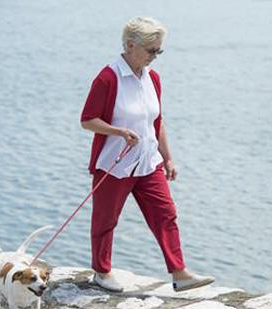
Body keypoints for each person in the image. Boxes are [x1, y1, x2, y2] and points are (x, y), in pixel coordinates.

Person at [80, 16, 214, 292]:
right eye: (151, 50)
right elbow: (87, 120)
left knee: (166, 214)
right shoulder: (108, 78)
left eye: (159, 51)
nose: (155, 56)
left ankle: (180, 273)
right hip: (114, 165)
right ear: (130, 45)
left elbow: (157, 121)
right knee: (106, 221)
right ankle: (102, 273)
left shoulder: (152, 78)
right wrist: (118, 132)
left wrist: (168, 158)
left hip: (148, 162)